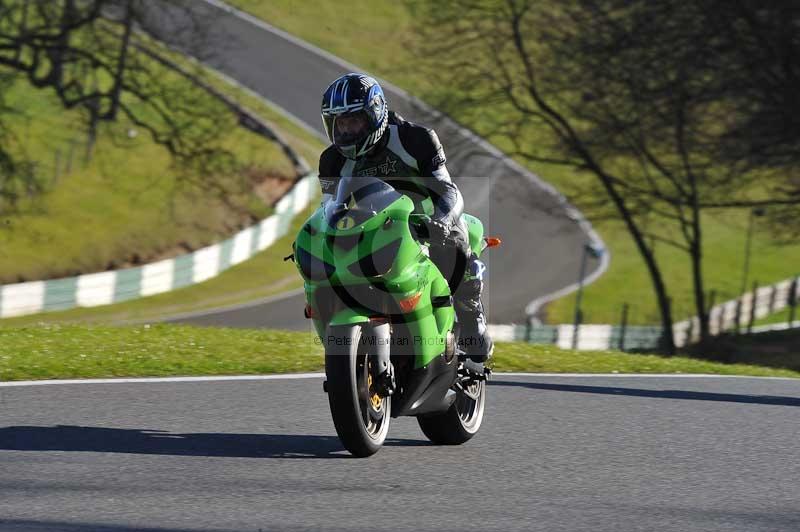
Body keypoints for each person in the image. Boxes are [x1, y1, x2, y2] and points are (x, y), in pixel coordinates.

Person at [318, 72, 493, 366]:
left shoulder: (416, 139)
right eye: (340, 123)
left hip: (426, 219)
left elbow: (449, 191)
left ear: (374, 114)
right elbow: (329, 209)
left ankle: (469, 310)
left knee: (456, 241)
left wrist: (441, 220)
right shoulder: (332, 160)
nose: (346, 131)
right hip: (373, 226)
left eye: (354, 121)